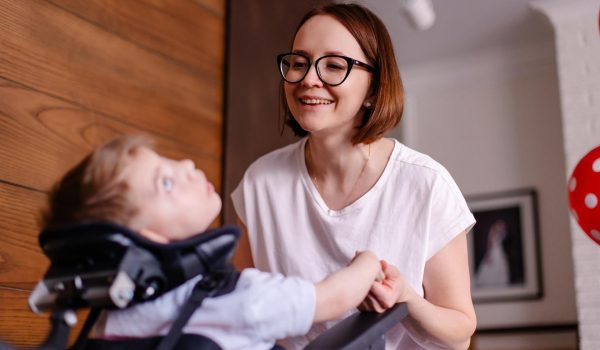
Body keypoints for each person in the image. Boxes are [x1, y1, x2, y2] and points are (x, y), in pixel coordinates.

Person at [231, 3, 477, 349]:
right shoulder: (261, 182)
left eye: (334, 65)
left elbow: (461, 332)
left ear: (374, 88)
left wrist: (406, 298)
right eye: (298, 63)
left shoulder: (426, 185)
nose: (308, 79)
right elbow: (243, 308)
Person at [42, 135, 384, 350]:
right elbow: (334, 299)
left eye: (168, 163)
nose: (187, 166)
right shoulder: (238, 297)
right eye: (166, 183)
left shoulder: (107, 322)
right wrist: (367, 263)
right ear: (145, 238)